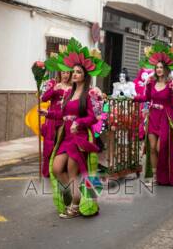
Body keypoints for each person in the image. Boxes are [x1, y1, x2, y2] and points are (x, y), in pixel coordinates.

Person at [45, 38, 111, 218]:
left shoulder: (88, 94)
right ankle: (80, 196)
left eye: (78, 72)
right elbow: (62, 115)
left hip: (79, 138)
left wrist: (79, 123)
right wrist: (48, 115)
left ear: (84, 75)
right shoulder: (68, 93)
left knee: (73, 172)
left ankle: (74, 205)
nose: (74, 74)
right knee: (58, 168)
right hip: (65, 137)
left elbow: (92, 117)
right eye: (73, 71)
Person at [135, 44, 173, 186]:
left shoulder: (172, 85)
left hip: (165, 118)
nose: (159, 70)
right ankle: (156, 177)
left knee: (160, 148)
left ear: (166, 69)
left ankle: (167, 175)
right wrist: (134, 98)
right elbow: (146, 97)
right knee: (152, 148)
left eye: (161, 67)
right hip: (152, 117)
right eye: (157, 68)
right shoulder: (151, 83)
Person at [40, 71, 71, 177]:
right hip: (53, 121)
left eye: (68, 73)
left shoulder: (73, 87)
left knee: (63, 146)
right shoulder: (54, 83)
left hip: (65, 120)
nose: (65, 75)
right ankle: (48, 171)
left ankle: (61, 170)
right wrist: (53, 89)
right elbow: (44, 98)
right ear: (60, 73)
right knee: (50, 145)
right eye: (63, 73)